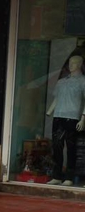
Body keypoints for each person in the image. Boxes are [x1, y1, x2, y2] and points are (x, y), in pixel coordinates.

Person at [46, 53, 85, 186]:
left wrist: (83, 118)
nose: (70, 65)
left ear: (80, 64)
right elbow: (57, 98)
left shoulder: (83, 81)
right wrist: (50, 111)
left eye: (73, 63)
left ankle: (69, 176)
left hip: (72, 117)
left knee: (71, 148)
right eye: (69, 62)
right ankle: (57, 176)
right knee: (57, 146)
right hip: (58, 116)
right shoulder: (62, 81)